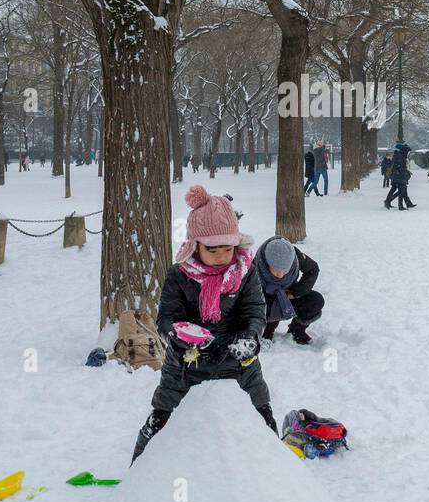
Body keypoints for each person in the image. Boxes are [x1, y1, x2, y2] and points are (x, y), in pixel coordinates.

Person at [131, 185, 275, 462]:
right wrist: (178, 334)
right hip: (185, 368)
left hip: (239, 365)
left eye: (228, 247)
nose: (222, 255)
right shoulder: (178, 275)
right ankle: (139, 477)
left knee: (262, 419)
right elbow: (167, 317)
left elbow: (255, 309)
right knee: (159, 422)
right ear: (194, 245)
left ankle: (271, 477)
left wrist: (250, 336)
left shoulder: (246, 272)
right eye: (213, 248)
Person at [256, 236, 322, 345]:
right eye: (276, 271)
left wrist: (296, 292)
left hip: (288, 294)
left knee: (315, 300)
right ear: (268, 264)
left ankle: (296, 330)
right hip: (266, 296)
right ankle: (267, 331)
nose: (281, 275)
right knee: (264, 304)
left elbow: (313, 269)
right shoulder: (257, 264)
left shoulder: (295, 256)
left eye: (285, 271)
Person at [384, 141, 415, 210]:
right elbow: (401, 168)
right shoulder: (401, 157)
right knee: (401, 190)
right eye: (408, 152)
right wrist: (406, 174)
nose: (408, 153)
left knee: (395, 189)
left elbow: (399, 167)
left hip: (396, 176)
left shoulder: (398, 155)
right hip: (399, 177)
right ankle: (397, 204)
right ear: (405, 151)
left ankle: (406, 203)